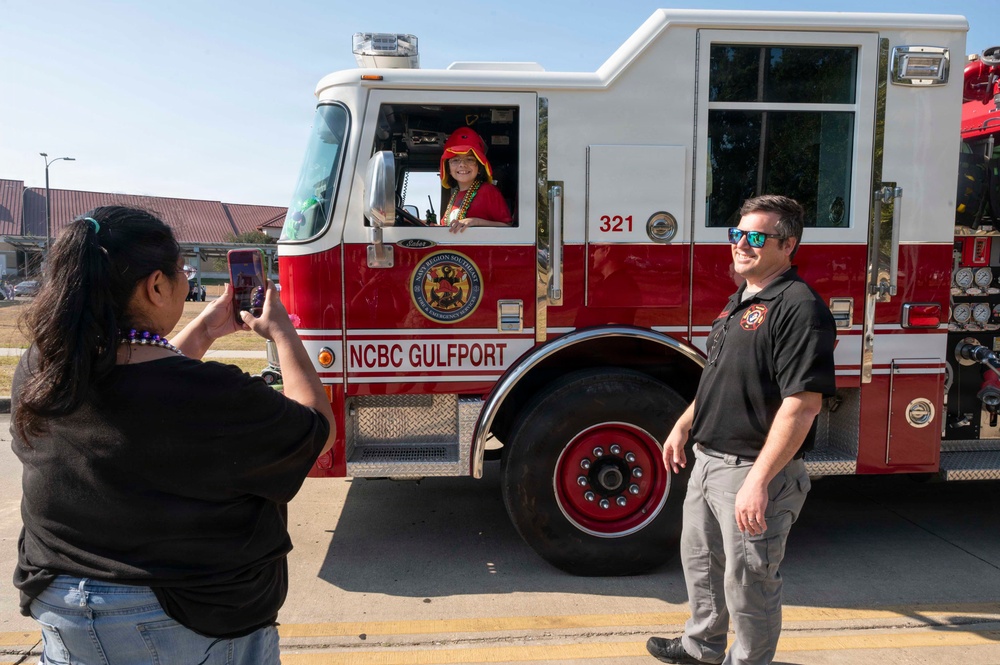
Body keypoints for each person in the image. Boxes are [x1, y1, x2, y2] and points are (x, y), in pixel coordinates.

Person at [11, 206, 335, 664]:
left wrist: (202, 331)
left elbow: (146, 389)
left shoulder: (43, 368)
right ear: (156, 286)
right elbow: (316, 430)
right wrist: (282, 333)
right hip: (190, 617)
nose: (186, 280)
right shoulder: (214, 395)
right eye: (181, 270)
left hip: (60, 606)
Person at [647, 195, 836, 665]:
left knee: (750, 585)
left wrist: (759, 481)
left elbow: (802, 405)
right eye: (737, 234)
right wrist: (683, 424)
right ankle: (701, 647)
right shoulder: (742, 299)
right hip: (710, 462)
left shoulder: (799, 307)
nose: (741, 245)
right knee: (703, 570)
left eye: (756, 237)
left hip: (753, 471)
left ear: (787, 244)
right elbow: (719, 375)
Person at [439, 126, 512, 233]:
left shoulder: (488, 191)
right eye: (455, 160)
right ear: (448, 169)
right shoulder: (454, 196)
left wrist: (475, 222)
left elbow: (508, 227)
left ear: (479, 168)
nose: (462, 165)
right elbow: (448, 230)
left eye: (469, 159)